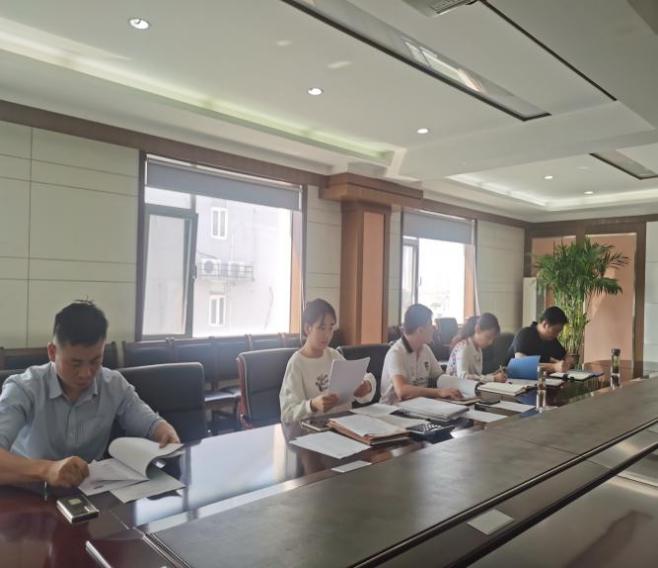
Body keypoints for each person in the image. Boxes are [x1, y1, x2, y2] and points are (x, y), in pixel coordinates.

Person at [0, 301, 179, 488]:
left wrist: (164, 431)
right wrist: (46, 470)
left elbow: (149, 423)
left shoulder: (113, 385)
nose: (86, 373)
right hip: (29, 493)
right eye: (75, 363)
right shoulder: (24, 388)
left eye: (95, 361)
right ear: (52, 352)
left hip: (90, 491)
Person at [279, 299, 376, 423]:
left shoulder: (333, 355)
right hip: (316, 429)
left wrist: (367, 386)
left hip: (345, 424)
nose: (327, 335)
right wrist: (312, 405)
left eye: (330, 328)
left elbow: (364, 377)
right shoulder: (297, 363)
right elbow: (287, 413)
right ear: (308, 328)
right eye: (321, 328)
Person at [380, 304, 463, 405]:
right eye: (431, 324)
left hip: (418, 406)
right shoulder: (396, 353)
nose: (434, 328)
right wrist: (438, 392)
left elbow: (439, 376)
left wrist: (463, 386)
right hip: (393, 409)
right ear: (420, 330)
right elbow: (402, 391)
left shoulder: (425, 349)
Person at [508, 306, 572, 373]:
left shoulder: (551, 338)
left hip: (539, 378)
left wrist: (567, 362)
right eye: (555, 331)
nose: (557, 334)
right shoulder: (524, 334)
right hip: (510, 377)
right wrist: (553, 367)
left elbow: (566, 356)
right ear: (545, 324)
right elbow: (521, 364)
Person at [446, 313, 506, 383]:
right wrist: (493, 378)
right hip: (455, 386)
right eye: (488, 337)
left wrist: (493, 375)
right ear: (478, 329)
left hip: (468, 387)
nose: (490, 342)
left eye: (492, 339)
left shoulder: (478, 349)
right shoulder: (464, 347)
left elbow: (476, 376)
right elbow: (463, 376)